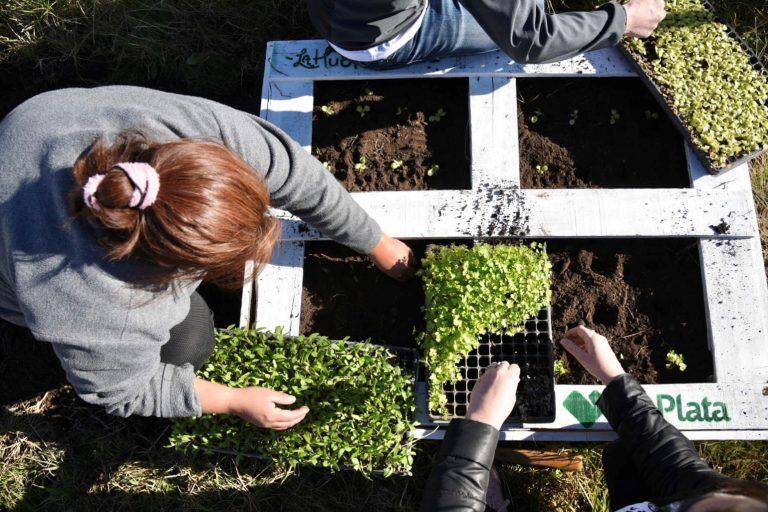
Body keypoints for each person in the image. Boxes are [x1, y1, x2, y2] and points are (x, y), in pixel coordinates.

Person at [0, 85, 415, 431]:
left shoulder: (196, 141)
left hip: (33, 126)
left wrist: (377, 242)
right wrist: (234, 400)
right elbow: (122, 389)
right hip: (16, 265)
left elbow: (294, 174)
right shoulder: (98, 304)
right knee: (189, 339)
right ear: (170, 268)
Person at [421, 326, 768, 511]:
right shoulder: (725, 499)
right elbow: (679, 469)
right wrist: (616, 380)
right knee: (631, 454)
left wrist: (480, 424)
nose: (698, 504)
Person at [307, 0, 667, 69]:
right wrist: (625, 19)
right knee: (534, 8)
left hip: (333, 8)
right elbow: (533, 39)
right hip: (376, 38)